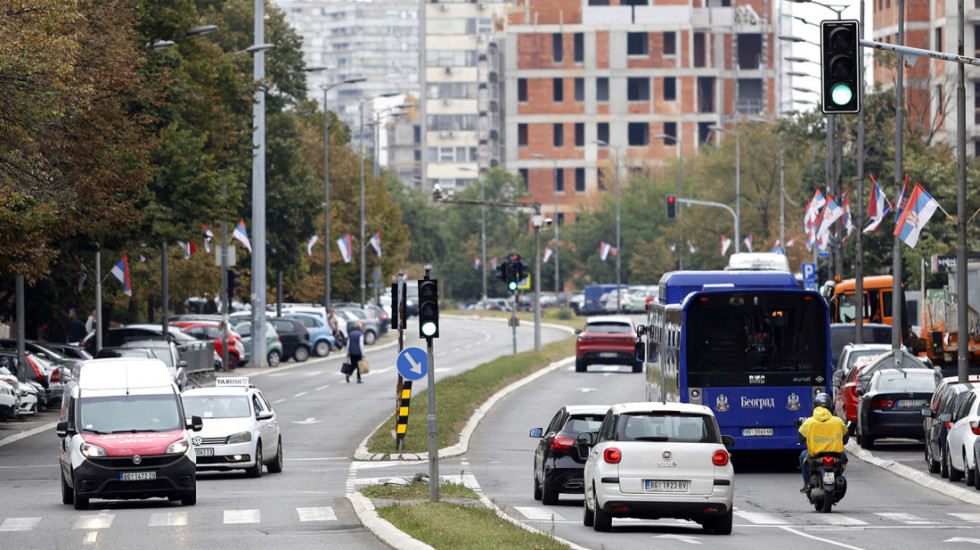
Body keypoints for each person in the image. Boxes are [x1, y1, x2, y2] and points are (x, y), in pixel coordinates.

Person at [798, 392, 848, 492]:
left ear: (815, 405)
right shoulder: (838, 421)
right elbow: (845, 439)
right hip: (836, 456)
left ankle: (807, 484)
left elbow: (801, 438)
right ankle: (837, 476)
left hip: (815, 456)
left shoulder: (809, 422)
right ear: (830, 406)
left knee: (802, 457)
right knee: (845, 458)